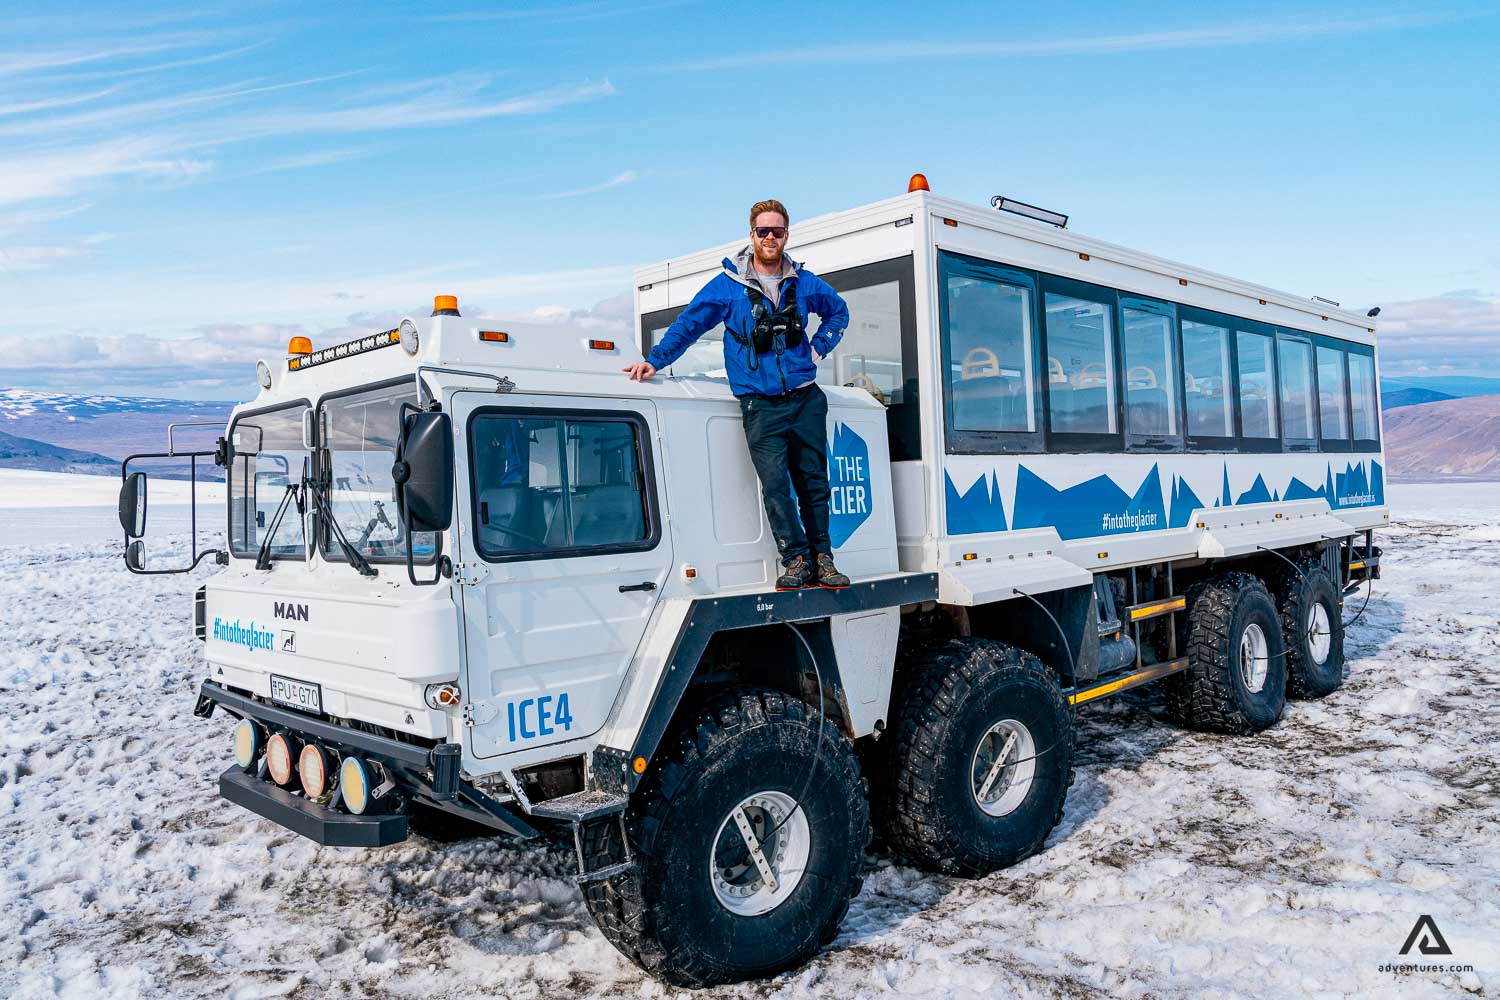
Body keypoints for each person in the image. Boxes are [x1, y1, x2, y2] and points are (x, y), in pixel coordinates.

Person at [624, 199, 851, 590]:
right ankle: (796, 560)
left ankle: (823, 559)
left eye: (777, 231)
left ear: (786, 235)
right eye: (763, 231)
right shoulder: (728, 286)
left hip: (805, 398)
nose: (770, 237)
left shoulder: (805, 282)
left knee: (814, 483)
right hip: (759, 403)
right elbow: (689, 325)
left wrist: (818, 348)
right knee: (776, 486)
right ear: (752, 235)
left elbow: (838, 312)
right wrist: (655, 361)